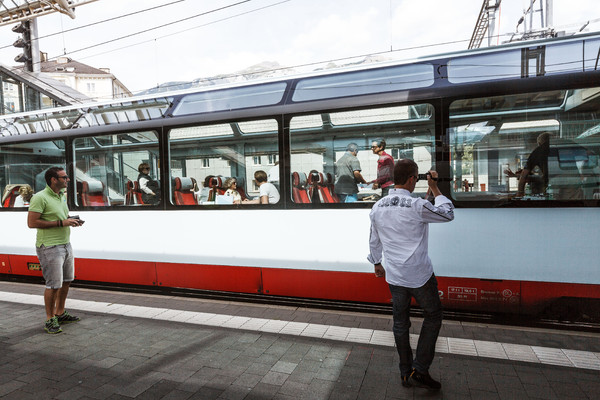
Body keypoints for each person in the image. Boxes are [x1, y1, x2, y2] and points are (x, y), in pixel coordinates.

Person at [368, 159, 454, 390]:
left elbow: (374, 239)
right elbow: (447, 214)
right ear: (411, 178)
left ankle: (405, 372)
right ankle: (421, 369)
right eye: (417, 178)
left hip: (395, 276)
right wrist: (435, 188)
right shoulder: (416, 206)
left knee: (400, 323)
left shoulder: (378, 206)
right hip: (420, 276)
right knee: (433, 316)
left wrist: (376, 262)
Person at [27, 167, 83, 334]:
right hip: (49, 247)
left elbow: (58, 217)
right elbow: (32, 223)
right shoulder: (40, 197)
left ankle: (60, 313)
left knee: (67, 280)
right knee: (53, 285)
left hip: (65, 244)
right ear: (53, 179)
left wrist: (70, 220)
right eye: (64, 177)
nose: (67, 180)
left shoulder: (61, 196)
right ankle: (50, 319)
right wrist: (61, 223)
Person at [504, 132, 550, 197]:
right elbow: (540, 178)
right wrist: (515, 175)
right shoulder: (563, 148)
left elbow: (524, 175)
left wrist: (520, 193)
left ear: (539, 143)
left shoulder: (539, 151)